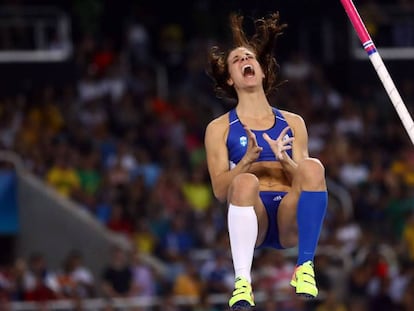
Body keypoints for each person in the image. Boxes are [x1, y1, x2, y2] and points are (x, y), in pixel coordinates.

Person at [204, 12, 328, 310]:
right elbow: (221, 191)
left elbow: (308, 181)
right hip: (253, 216)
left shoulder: (293, 122)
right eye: (236, 60)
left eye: (249, 57)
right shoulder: (220, 128)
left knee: (313, 166)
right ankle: (242, 283)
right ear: (231, 79)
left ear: (260, 72)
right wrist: (245, 161)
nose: (244, 60)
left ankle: (305, 268)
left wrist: (285, 160)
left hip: (288, 214)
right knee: (245, 180)